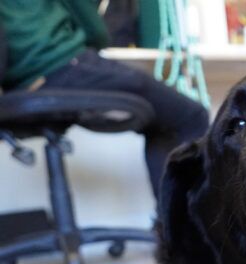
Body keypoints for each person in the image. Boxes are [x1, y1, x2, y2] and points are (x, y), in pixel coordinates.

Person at [0, 0, 209, 198]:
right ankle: (182, 228)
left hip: (23, 88)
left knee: (161, 122)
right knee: (191, 116)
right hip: (65, 64)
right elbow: (97, 32)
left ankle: (170, 223)